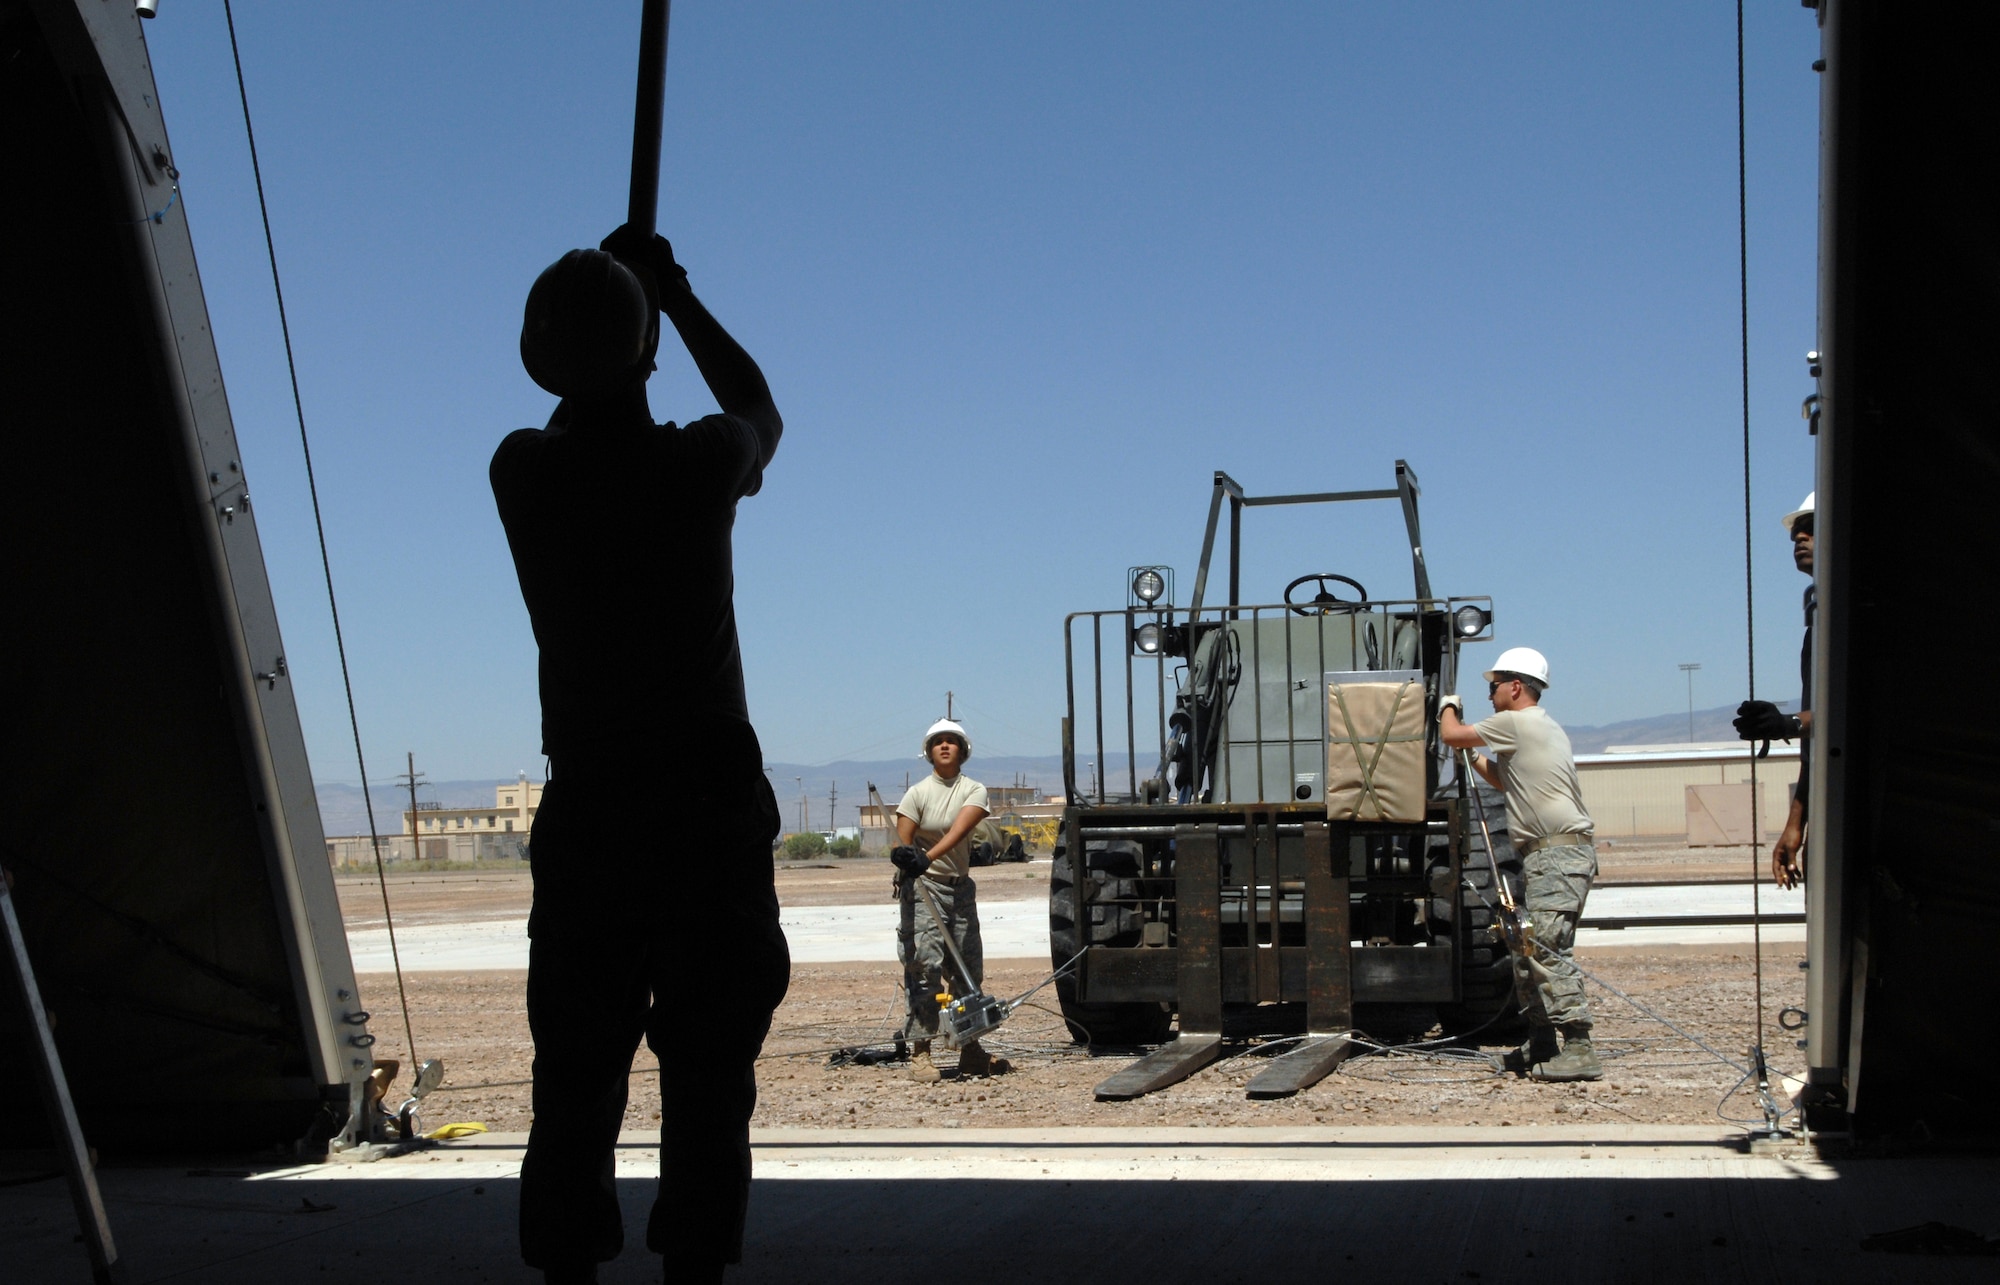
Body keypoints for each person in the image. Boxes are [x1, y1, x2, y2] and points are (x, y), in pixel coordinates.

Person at [492, 227, 790, 1285]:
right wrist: (675, 294)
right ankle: (695, 1267)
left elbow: (593, 401)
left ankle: (567, 1263)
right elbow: (761, 411)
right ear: (648, 352)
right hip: (703, 806)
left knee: (575, 1072)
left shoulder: (523, 472)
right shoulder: (698, 465)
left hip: (594, 812)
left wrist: (633, 312)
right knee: (709, 1075)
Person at [1439, 647, 1602, 1082]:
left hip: (1558, 854)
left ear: (1516, 687)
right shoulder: (1531, 729)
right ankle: (1542, 1040)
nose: (1490, 694)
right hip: (1548, 854)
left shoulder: (1518, 720)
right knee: (1525, 947)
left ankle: (1580, 1047)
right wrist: (1473, 758)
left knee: (1547, 947)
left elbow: (1452, 734)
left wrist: (1447, 707)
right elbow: (1502, 779)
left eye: (1493, 687)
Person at [890, 719, 1009, 1082]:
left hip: (959, 890)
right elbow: (902, 837)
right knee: (924, 966)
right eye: (937, 742)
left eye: (951, 741)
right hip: (924, 889)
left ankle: (969, 1049)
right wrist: (905, 857)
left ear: (962, 750)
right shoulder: (917, 793)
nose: (944, 746)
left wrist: (928, 855)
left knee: (967, 971)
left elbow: (960, 830)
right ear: (928, 752)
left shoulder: (973, 790)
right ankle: (920, 1051)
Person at [1733, 492, 1815, 890]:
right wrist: (1795, 824)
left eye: (1811, 528)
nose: (1799, 538)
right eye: (1796, 533)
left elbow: (1852, 713)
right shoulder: (1819, 623)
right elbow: (1820, 749)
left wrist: (1788, 722)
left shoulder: (1860, 614)